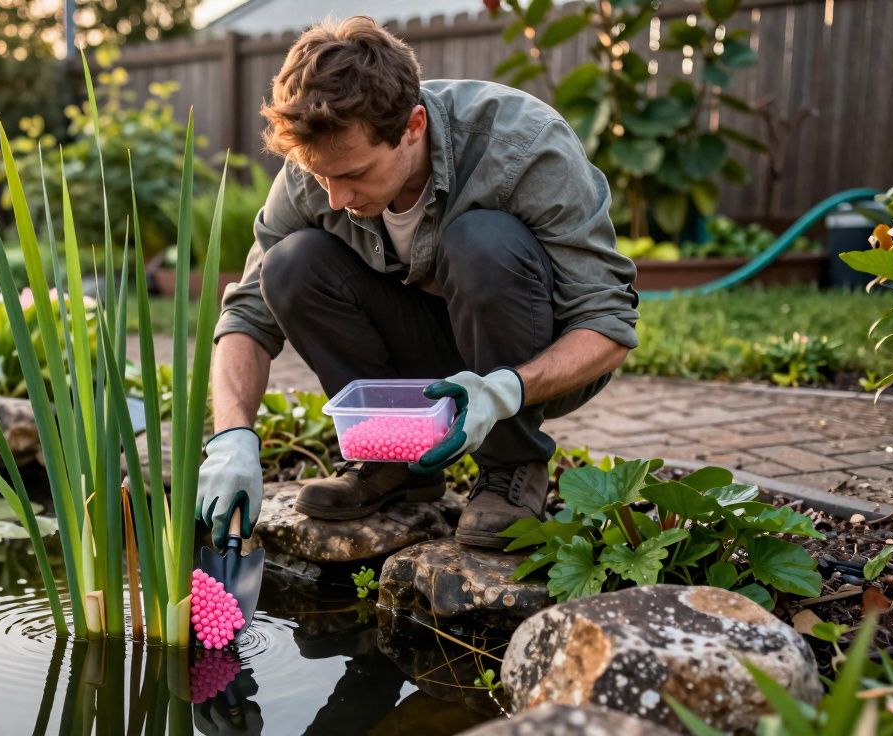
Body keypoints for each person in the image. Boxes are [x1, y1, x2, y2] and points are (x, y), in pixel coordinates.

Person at [195, 16, 638, 550]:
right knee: (288, 264)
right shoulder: (315, 171)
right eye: (320, 176)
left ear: (413, 125)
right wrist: (232, 436)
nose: (334, 197)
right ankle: (395, 461)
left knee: (480, 240)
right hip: (430, 356)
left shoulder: (522, 143)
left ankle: (511, 466)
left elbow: (608, 322)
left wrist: (504, 390)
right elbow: (246, 314)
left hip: (528, 359)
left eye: (355, 174)